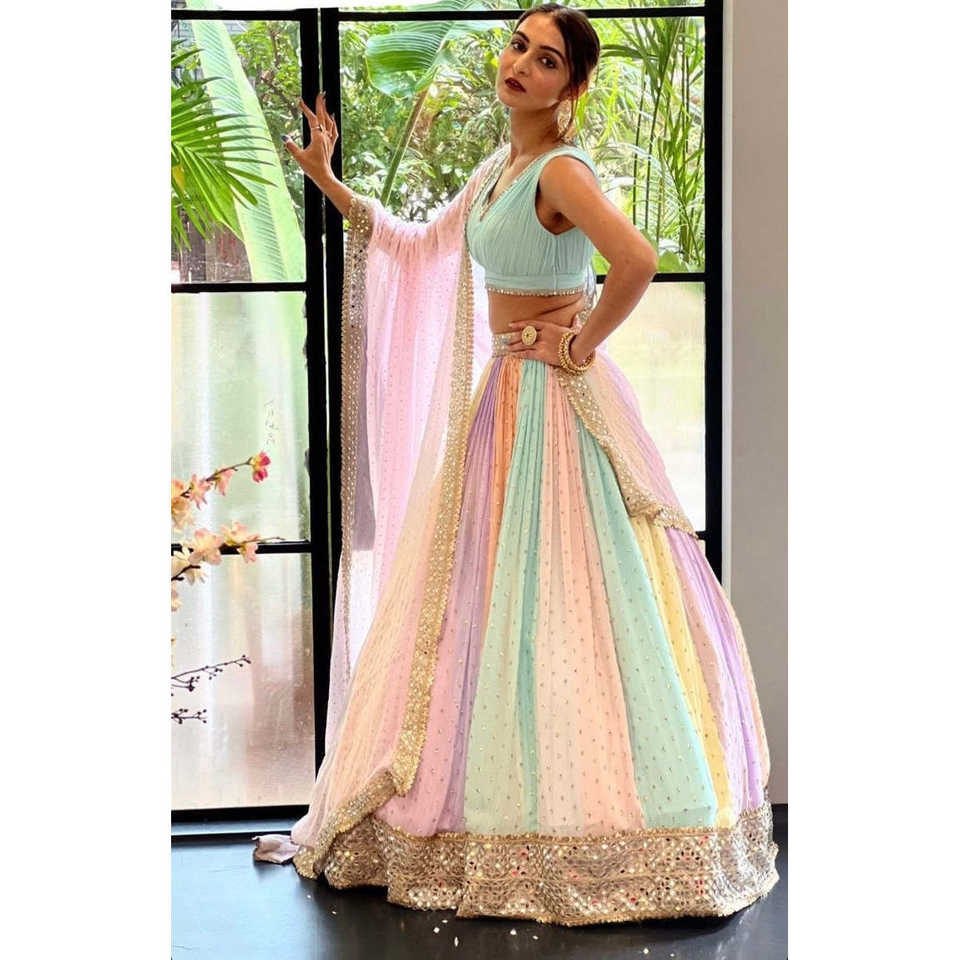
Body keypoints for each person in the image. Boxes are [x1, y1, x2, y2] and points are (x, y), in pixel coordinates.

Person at [254, 3, 779, 927]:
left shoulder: (562, 171)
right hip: (504, 400)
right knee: (494, 600)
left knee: (566, 596)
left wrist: (578, 344)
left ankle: (585, 816)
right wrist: (329, 181)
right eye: (517, 46)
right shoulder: (499, 167)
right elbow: (419, 245)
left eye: (546, 60)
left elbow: (636, 259)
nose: (521, 65)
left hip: (554, 406)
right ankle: (491, 801)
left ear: (571, 86)